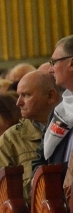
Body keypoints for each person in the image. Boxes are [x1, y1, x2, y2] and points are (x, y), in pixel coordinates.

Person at [0, 70, 61, 202]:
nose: (18, 102)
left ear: (50, 96)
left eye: (26, 95)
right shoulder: (11, 139)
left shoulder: (68, 129)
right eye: (18, 95)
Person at [42, 35, 73, 171]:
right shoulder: (60, 111)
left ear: (72, 63)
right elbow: (42, 159)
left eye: (54, 62)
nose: (50, 69)